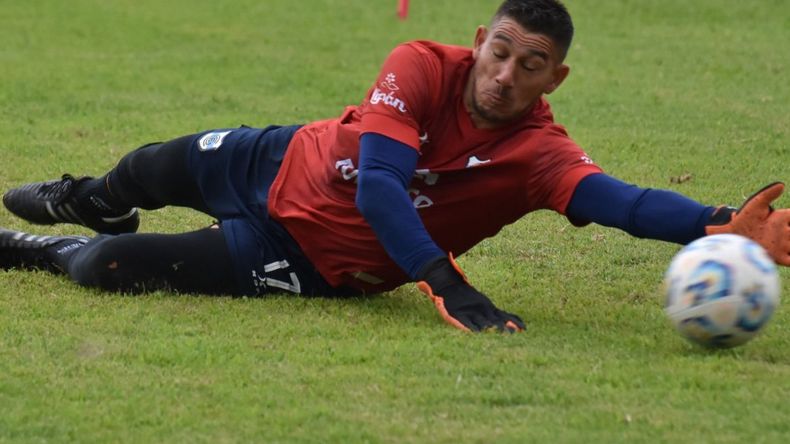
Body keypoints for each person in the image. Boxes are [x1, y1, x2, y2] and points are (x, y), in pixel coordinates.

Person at [1, 0, 788, 333]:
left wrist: (718, 222)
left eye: (530, 64)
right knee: (143, 167)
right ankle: (92, 201)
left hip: (304, 257)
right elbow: (380, 181)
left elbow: (622, 202)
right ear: (480, 41)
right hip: (277, 158)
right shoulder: (420, 64)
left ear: (556, 78)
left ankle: (51, 247)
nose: (505, 74)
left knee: (104, 267)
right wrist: (443, 279)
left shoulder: (539, 158)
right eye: (500, 51)